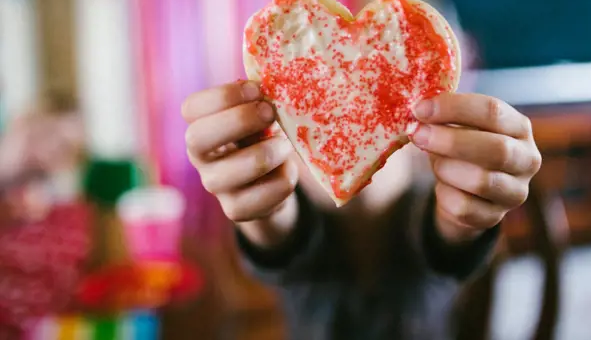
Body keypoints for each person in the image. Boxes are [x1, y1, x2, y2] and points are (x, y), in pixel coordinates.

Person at [182, 80, 542, 340]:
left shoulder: (427, 211)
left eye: (375, 113)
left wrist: (467, 217)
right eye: (320, 121)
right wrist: (261, 208)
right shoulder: (298, 221)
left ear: (419, 139)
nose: (348, 137)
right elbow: (282, 237)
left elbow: (447, 240)